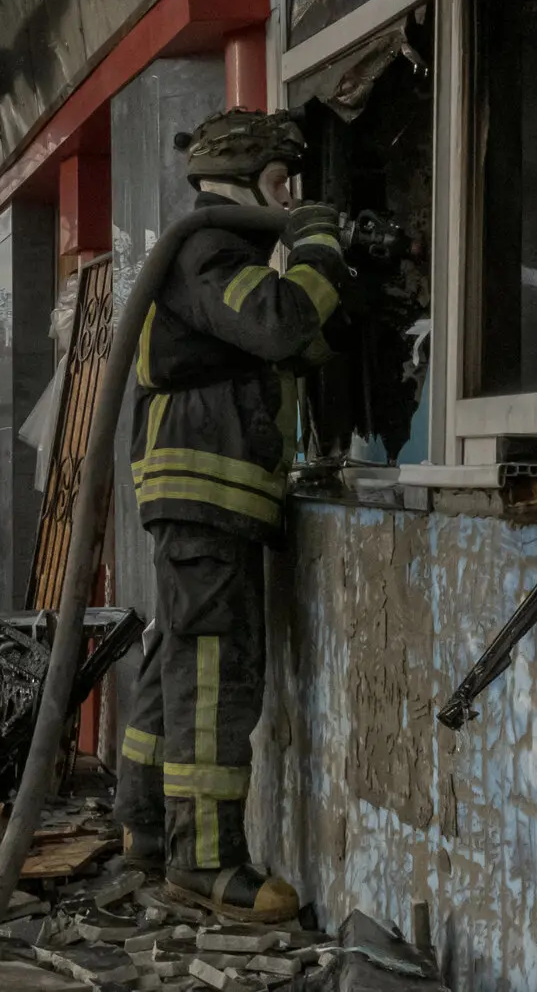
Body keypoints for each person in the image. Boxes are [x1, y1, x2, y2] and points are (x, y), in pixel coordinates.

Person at [114, 107, 353, 923]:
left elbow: (287, 341)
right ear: (241, 183)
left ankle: (146, 826)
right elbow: (279, 320)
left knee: (175, 656)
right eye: (283, 184)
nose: (290, 199)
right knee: (215, 672)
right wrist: (320, 241)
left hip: (203, 500)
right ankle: (206, 858)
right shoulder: (210, 249)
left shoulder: (202, 258)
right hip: (205, 496)